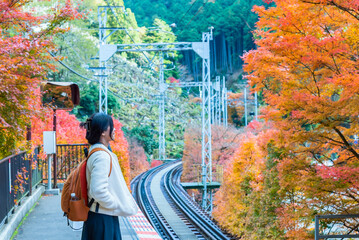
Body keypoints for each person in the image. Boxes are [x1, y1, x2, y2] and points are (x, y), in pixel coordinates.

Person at [80, 113, 138, 240]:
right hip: (103, 218)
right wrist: (116, 204)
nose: (114, 129)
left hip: (99, 216)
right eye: (111, 126)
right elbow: (98, 190)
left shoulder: (96, 151)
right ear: (103, 132)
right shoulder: (101, 156)